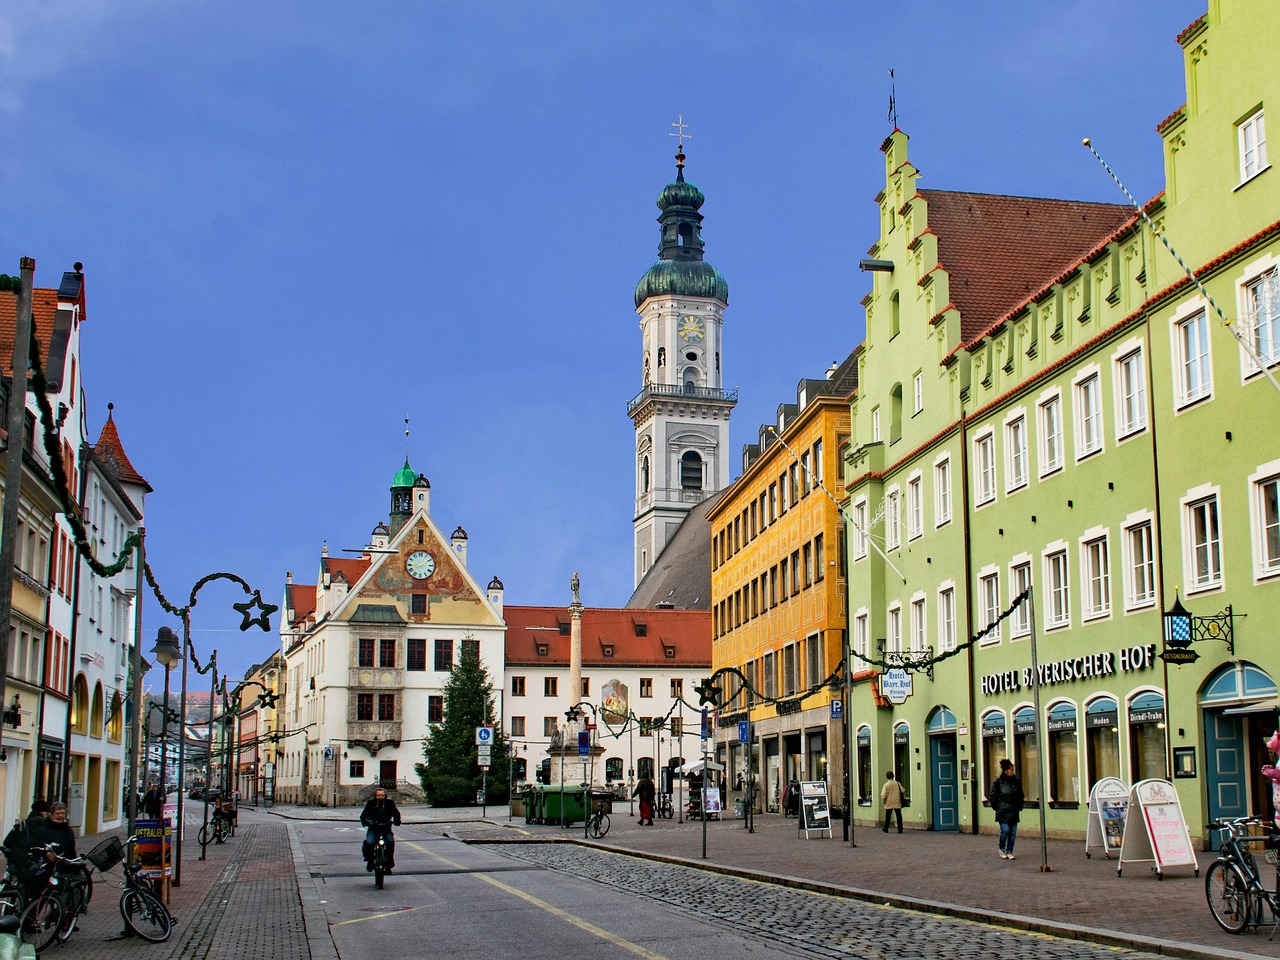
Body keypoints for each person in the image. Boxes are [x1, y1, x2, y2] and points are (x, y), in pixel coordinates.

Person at [990, 758, 1025, 860]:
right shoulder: (998, 782)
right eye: (1011, 770)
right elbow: (993, 796)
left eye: (1013, 770)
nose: (1013, 772)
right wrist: (997, 807)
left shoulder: (1016, 782)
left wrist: (1019, 805)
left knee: (1013, 833)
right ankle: (1001, 848)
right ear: (1005, 771)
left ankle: (1009, 851)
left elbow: (1020, 795)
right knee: (1005, 830)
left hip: (1013, 810)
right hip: (1003, 811)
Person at [359, 788, 402, 872]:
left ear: (385, 795)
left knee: (390, 842)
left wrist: (397, 820)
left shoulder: (390, 803)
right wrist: (366, 821)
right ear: (375, 795)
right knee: (370, 842)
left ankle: (389, 863)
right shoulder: (370, 804)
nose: (380, 796)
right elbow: (364, 815)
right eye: (378, 795)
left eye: (382, 795)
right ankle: (370, 861)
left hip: (386, 828)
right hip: (373, 828)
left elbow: (396, 813)